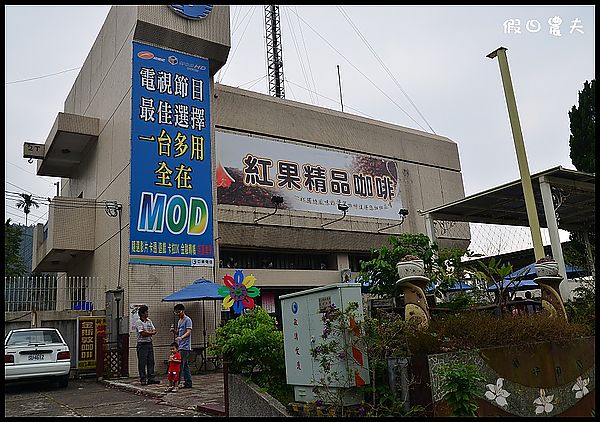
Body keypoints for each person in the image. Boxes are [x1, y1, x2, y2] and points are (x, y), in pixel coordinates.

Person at [135, 305, 159, 385]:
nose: (147, 313)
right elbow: (142, 333)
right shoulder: (139, 322)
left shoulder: (149, 321)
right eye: (146, 312)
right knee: (142, 362)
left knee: (151, 361)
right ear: (142, 313)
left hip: (149, 343)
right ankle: (143, 378)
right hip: (142, 344)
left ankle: (151, 378)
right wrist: (150, 333)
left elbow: (154, 330)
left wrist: (149, 333)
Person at [171, 303, 193, 388]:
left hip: (185, 346)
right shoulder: (179, 321)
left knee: (179, 365)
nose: (177, 314)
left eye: (178, 312)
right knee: (185, 366)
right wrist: (174, 331)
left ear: (182, 311)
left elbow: (189, 331)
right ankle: (188, 382)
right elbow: (178, 332)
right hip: (180, 345)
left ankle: (176, 383)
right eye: (176, 312)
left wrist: (181, 337)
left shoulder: (188, 320)